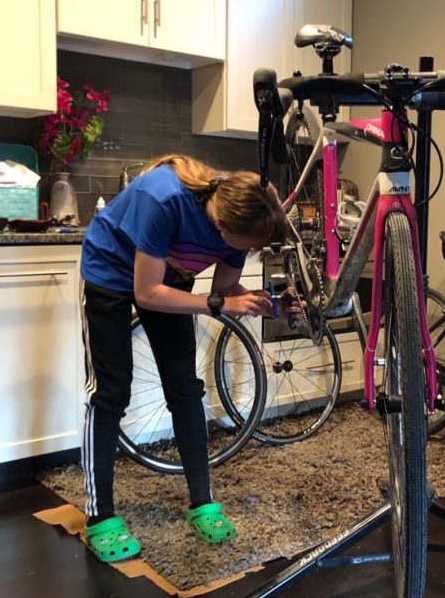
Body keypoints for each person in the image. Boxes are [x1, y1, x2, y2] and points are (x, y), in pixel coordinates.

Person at [78, 153, 292, 563]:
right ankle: (99, 516)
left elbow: (225, 292)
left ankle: (202, 502)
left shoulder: (243, 216)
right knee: (110, 392)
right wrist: (217, 303)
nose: (247, 252)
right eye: (247, 247)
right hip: (111, 272)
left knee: (184, 388)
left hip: (168, 280)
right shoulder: (164, 199)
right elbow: (147, 293)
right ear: (221, 228)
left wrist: (260, 304)